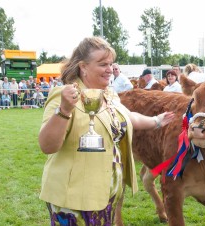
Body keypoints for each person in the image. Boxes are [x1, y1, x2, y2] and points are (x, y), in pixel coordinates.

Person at [38, 36, 175, 226]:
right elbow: (47, 145)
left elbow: (129, 117)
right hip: (74, 201)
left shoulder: (109, 95)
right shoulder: (64, 96)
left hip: (105, 196)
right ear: (83, 67)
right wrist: (63, 111)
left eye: (111, 64)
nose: (110, 69)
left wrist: (156, 121)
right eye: (103, 64)